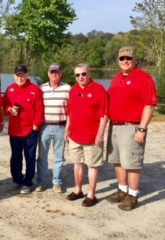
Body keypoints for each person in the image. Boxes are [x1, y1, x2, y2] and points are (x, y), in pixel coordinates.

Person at [106, 46, 157, 211]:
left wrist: (142, 129)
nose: (125, 61)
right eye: (122, 58)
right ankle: (122, 191)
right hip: (115, 126)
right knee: (118, 161)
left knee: (133, 163)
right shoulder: (116, 79)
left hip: (132, 126)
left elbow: (149, 105)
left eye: (129, 58)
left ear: (136, 60)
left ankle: (133, 196)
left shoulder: (144, 78)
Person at [64, 63, 108, 207]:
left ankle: (91, 194)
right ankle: (78, 190)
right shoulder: (74, 90)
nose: (81, 77)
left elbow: (104, 115)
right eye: (77, 75)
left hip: (92, 137)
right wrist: (66, 130)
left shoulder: (99, 89)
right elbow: (70, 113)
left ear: (89, 74)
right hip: (75, 136)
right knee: (77, 164)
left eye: (83, 74)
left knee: (92, 166)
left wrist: (100, 135)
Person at [3, 64, 44, 194]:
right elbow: (5, 105)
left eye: (22, 75)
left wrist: (36, 125)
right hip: (15, 130)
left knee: (30, 157)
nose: (20, 77)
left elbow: (40, 109)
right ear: (14, 76)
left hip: (30, 130)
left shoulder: (35, 89)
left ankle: (27, 182)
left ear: (27, 75)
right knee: (15, 157)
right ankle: (17, 180)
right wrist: (9, 109)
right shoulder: (10, 89)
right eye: (18, 75)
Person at [36, 63, 71, 193]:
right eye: (52, 72)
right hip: (44, 126)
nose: (54, 74)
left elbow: (71, 111)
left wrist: (68, 128)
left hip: (60, 126)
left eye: (56, 72)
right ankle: (41, 182)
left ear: (61, 73)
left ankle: (57, 182)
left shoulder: (67, 88)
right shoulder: (41, 88)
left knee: (59, 157)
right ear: (48, 74)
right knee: (42, 157)